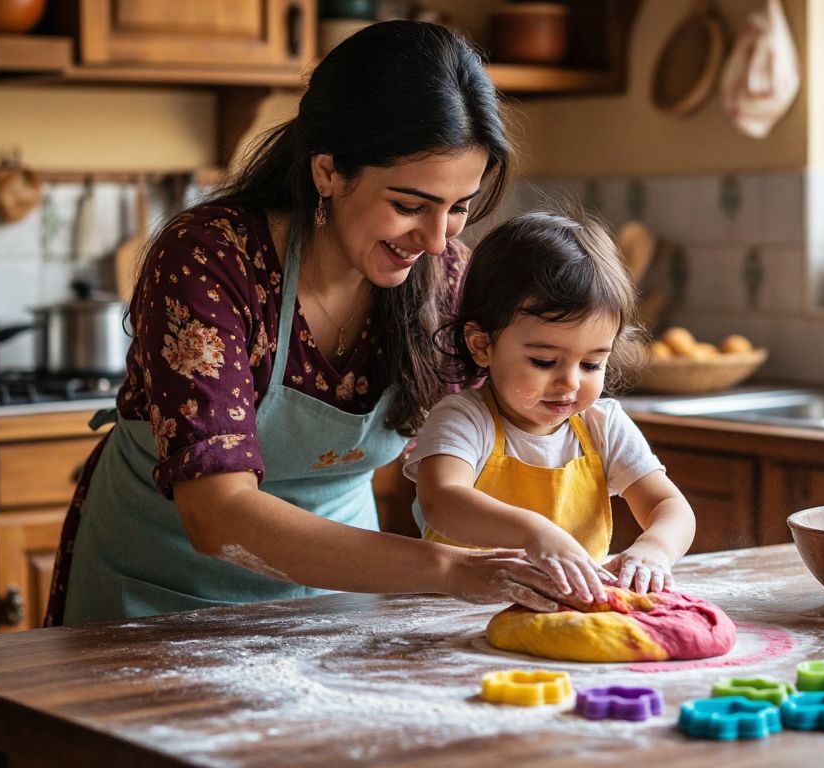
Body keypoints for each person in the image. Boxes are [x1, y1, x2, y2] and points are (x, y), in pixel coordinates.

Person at [46, 21, 566, 627]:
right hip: (153, 598)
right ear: (328, 172)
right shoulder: (211, 259)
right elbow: (217, 516)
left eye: (458, 209)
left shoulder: (447, 277)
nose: (433, 240)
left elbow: (464, 465)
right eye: (408, 205)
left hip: (337, 602)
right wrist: (447, 571)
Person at [407, 209, 697, 605]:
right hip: (456, 613)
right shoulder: (464, 418)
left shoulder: (602, 425)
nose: (571, 383)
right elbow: (442, 500)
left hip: (571, 612)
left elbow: (668, 504)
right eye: (544, 362)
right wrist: (534, 533)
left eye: (592, 363)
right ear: (482, 346)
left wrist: (656, 549)